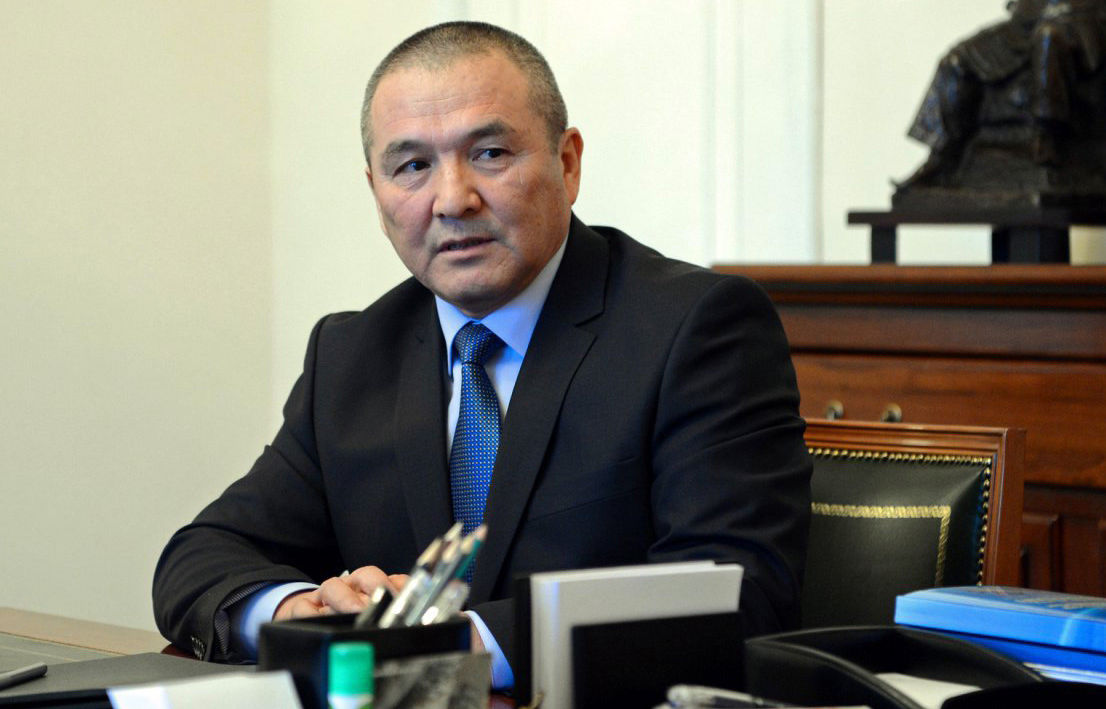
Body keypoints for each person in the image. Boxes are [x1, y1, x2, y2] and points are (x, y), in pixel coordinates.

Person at [152, 21, 812, 688]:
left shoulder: (695, 328)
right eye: (412, 167)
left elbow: (735, 590)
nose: (452, 200)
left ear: (568, 163)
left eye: (491, 153)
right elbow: (202, 558)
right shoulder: (351, 355)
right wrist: (303, 611)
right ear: (376, 192)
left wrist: (447, 644)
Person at [901, 0, 1106, 188]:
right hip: (1025, 21)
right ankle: (943, 154)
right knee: (956, 60)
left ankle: (1047, 137)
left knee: (1048, 37)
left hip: (1079, 19)